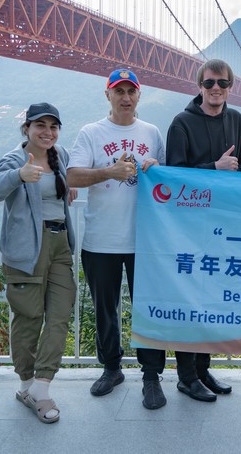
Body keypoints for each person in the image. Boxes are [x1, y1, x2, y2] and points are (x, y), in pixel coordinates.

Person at [66, 69, 167, 410]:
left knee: (147, 310)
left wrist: (155, 167)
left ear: (140, 96)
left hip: (145, 240)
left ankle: (152, 377)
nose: (125, 97)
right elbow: (72, 174)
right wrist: (109, 171)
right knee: (105, 310)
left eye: (131, 91)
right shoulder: (91, 133)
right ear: (107, 94)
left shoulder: (152, 133)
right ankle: (111, 368)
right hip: (100, 239)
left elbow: (168, 180)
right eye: (118, 91)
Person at [165, 58, 241, 401]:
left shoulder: (236, 119)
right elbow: (173, 177)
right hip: (188, 228)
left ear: (231, 87)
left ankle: (202, 370)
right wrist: (214, 168)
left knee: (210, 301)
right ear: (199, 85)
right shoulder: (181, 123)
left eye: (223, 83)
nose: (217, 89)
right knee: (189, 301)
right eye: (210, 83)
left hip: (222, 226)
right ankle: (186, 377)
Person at [0, 103, 77, 424]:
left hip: (60, 243)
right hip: (28, 248)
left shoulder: (60, 155)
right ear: (26, 129)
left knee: (61, 314)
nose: (47, 132)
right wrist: (18, 176)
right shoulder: (14, 159)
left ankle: (42, 384)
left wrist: (68, 187)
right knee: (29, 317)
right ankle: (26, 384)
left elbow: (58, 189)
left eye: (53, 126)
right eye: (40, 126)